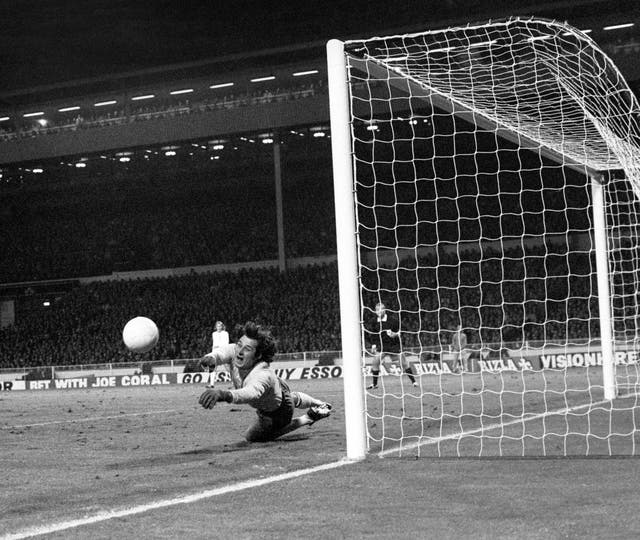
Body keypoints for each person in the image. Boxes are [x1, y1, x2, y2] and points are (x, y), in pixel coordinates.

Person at [198, 321, 332, 442]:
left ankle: (308, 418)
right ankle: (319, 403)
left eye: (248, 349)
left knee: (253, 437)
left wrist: (223, 394)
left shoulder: (261, 374)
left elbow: (250, 393)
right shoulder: (236, 350)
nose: (239, 351)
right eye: (240, 345)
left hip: (278, 412)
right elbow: (222, 352)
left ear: (258, 355)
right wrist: (211, 358)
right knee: (286, 398)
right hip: (277, 389)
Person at [366, 302, 418, 390]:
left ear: (385, 310)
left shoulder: (393, 320)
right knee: (375, 362)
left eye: (381, 309)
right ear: (375, 311)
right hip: (382, 346)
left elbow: (403, 329)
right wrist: (374, 345)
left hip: (394, 345)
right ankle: (374, 384)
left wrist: (396, 334)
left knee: (404, 363)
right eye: (377, 310)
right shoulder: (374, 322)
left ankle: (414, 382)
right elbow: (373, 334)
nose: (379, 311)